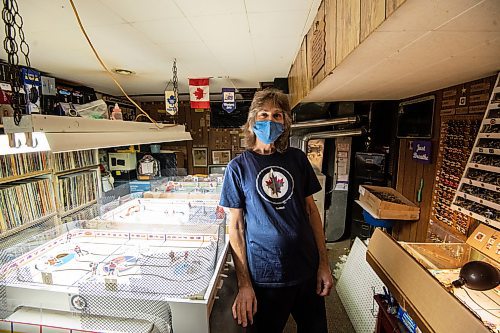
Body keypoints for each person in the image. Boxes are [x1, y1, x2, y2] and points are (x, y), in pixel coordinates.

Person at [219, 88, 333, 332]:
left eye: (277, 115)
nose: (270, 120)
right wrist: (244, 284)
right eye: (263, 114)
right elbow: (236, 227)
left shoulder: (298, 159)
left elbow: (312, 212)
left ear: (285, 123)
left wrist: (323, 264)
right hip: (266, 275)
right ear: (252, 121)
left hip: (306, 269)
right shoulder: (238, 167)